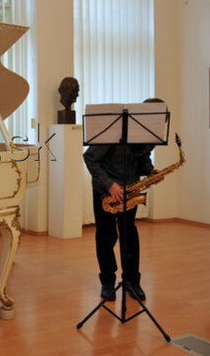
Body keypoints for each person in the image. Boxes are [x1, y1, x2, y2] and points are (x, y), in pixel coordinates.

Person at [83, 98, 165, 302]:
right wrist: (110, 185)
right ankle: (108, 283)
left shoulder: (149, 134)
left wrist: (150, 171)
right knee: (106, 236)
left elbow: (143, 159)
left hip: (130, 189)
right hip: (105, 190)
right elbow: (90, 158)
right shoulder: (113, 131)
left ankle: (132, 282)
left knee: (130, 235)